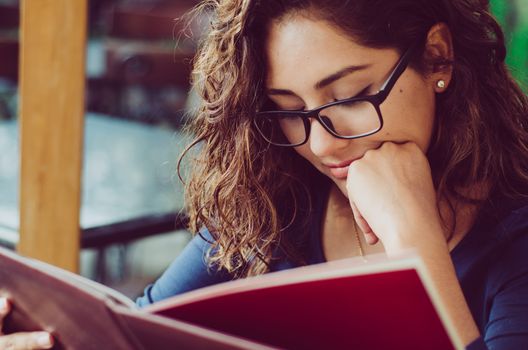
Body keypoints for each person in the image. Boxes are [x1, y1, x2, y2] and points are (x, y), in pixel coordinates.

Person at [2, 0, 528, 348]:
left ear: (437, 58)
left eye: (348, 97)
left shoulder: (515, 236)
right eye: (288, 110)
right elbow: (136, 333)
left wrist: (415, 244)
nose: (321, 144)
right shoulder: (275, 203)